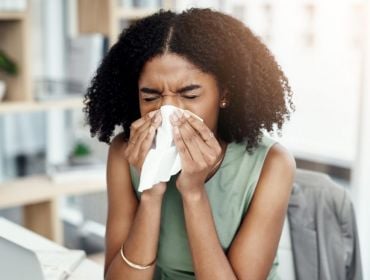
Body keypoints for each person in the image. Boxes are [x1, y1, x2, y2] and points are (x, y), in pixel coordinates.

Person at [83, 7, 296, 280]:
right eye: (150, 97)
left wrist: (193, 193)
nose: (168, 112)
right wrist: (151, 191)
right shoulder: (125, 154)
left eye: (189, 94)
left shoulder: (273, 164)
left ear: (224, 93)